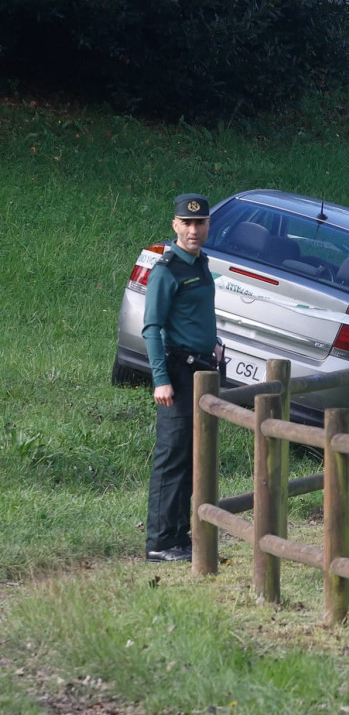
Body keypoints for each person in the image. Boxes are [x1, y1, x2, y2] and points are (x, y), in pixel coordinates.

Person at [142, 194, 219, 563]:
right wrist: (160, 379)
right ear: (175, 225)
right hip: (176, 372)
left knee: (192, 458)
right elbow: (152, 328)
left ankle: (179, 537)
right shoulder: (167, 270)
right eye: (186, 223)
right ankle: (159, 542)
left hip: (202, 370)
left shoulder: (201, 263)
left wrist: (214, 342)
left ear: (207, 226)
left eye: (199, 223)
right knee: (172, 457)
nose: (193, 230)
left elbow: (196, 315)